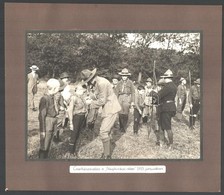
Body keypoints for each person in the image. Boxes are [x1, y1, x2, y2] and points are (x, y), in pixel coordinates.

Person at [80, 68, 121, 159]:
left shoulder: (101, 83)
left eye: (88, 81)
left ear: (91, 78)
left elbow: (102, 101)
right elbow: (97, 96)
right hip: (107, 108)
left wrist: (90, 103)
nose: (88, 83)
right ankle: (107, 151)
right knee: (107, 131)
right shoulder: (96, 82)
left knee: (103, 132)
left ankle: (107, 155)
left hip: (111, 108)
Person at [38, 78, 60, 159]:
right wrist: (42, 131)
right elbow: (41, 116)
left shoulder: (52, 96)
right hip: (47, 123)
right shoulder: (45, 99)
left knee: (49, 143)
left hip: (53, 121)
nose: (59, 89)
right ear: (54, 88)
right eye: (58, 88)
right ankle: (41, 160)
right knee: (44, 145)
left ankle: (45, 159)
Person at [66, 83, 89, 158]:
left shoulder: (82, 97)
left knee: (78, 134)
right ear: (79, 90)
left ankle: (74, 150)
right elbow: (70, 110)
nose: (84, 92)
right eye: (83, 90)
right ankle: (70, 152)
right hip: (76, 118)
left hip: (82, 117)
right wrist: (71, 123)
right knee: (74, 135)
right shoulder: (73, 97)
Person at [157, 69, 177, 149]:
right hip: (171, 107)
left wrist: (154, 93)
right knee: (166, 126)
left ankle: (169, 144)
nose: (164, 79)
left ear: (166, 78)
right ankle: (165, 143)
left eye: (164, 78)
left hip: (165, 108)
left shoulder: (167, 86)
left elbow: (159, 95)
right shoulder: (174, 86)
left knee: (165, 127)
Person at [115, 68, 135, 132]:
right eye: (123, 76)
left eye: (125, 76)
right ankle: (121, 126)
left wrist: (132, 101)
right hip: (120, 97)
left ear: (127, 76)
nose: (124, 77)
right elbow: (116, 92)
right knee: (120, 112)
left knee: (126, 113)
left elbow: (133, 92)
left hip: (127, 97)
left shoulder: (130, 83)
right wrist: (115, 101)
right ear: (121, 76)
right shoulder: (119, 83)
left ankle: (124, 127)